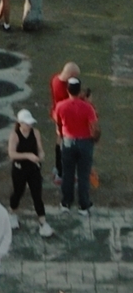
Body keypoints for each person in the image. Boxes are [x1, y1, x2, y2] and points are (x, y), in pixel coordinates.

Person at [54, 75, 100, 215]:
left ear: (68, 90)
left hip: (68, 142)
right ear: (79, 90)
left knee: (67, 174)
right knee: (83, 175)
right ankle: (84, 205)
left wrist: (63, 136)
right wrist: (94, 139)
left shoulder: (60, 106)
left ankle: (66, 202)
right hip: (85, 142)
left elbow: (59, 126)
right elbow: (94, 127)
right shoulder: (88, 108)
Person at [6, 111, 54, 236]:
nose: (29, 126)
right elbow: (12, 154)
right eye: (27, 123)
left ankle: (43, 222)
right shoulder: (15, 135)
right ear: (20, 123)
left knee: (37, 194)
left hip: (34, 169)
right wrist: (27, 156)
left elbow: (39, 149)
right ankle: (12, 213)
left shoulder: (35, 132)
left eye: (30, 123)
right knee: (18, 192)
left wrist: (41, 155)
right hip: (19, 169)